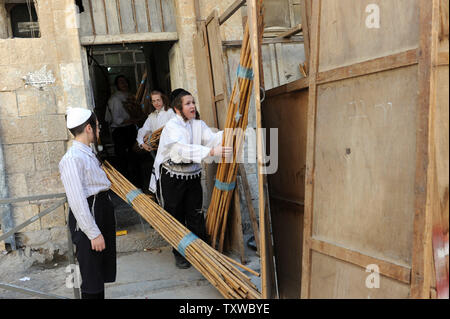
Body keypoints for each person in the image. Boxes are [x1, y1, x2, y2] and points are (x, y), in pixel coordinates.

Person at [150, 90, 232, 269]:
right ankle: (179, 254)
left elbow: (211, 139)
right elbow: (182, 149)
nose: (192, 106)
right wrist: (210, 152)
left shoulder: (198, 124)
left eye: (193, 102)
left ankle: (200, 253)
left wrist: (230, 133)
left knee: (195, 213)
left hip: (193, 175)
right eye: (187, 103)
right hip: (171, 177)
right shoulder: (172, 126)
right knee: (176, 216)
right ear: (177, 108)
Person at [59, 107, 116, 299]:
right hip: (88, 216)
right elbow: (76, 200)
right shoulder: (72, 158)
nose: (99, 130)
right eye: (98, 126)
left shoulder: (87, 153)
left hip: (99, 210)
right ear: (89, 128)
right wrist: (93, 233)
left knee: (99, 273)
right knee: (92, 279)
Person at [135, 90, 175, 193]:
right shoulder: (152, 116)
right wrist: (142, 144)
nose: (156, 103)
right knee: (162, 178)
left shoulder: (170, 113)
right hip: (159, 152)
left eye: (158, 100)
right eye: (154, 101)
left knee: (171, 179)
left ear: (163, 100)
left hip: (171, 152)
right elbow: (142, 131)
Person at [105, 75, 140, 183]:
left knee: (134, 157)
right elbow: (116, 120)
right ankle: (126, 184)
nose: (124, 84)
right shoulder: (115, 99)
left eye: (125, 81)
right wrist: (134, 120)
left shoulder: (130, 96)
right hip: (120, 132)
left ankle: (136, 182)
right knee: (123, 159)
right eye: (121, 82)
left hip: (130, 129)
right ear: (117, 85)